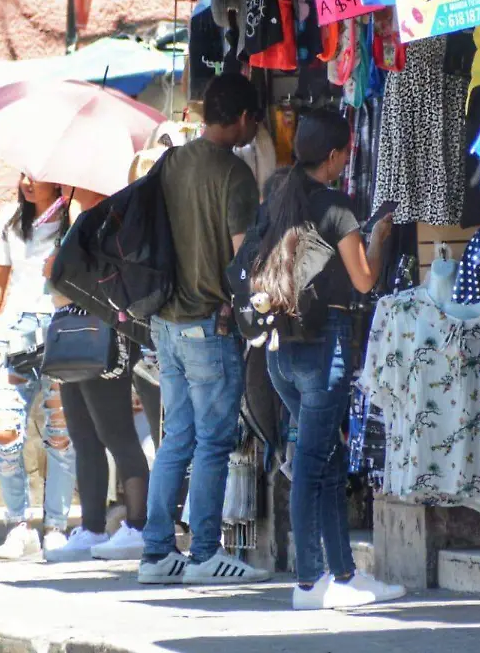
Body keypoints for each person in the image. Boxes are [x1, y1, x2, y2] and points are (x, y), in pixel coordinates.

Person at [255, 110, 404, 609]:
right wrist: (378, 240)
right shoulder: (338, 209)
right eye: (345, 154)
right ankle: (308, 583)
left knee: (330, 460)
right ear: (336, 157)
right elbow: (364, 280)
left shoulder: (278, 198)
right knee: (314, 463)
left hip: (281, 353)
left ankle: (343, 576)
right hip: (324, 348)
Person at [138, 74, 270, 585]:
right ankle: (206, 554)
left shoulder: (171, 161)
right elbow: (243, 258)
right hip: (207, 324)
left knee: (176, 439)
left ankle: (156, 553)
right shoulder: (234, 175)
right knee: (214, 442)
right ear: (240, 119)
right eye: (252, 120)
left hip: (165, 322)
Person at [43, 188, 151, 564]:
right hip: (75, 337)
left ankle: (137, 526)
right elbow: (57, 290)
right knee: (83, 436)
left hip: (104, 335)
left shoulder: (113, 221)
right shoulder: (76, 220)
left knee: (116, 433)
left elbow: (103, 282)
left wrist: (60, 270)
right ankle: (90, 527)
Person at [0, 176, 75, 561]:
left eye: (37, 173)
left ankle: (56, 526)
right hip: (15, 334)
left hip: (61, 331)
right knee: (4, 430)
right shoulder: (10, 218)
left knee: (61, 436)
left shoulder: (73, 217)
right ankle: (18, 525)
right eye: (23, 172)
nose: (27, 181)